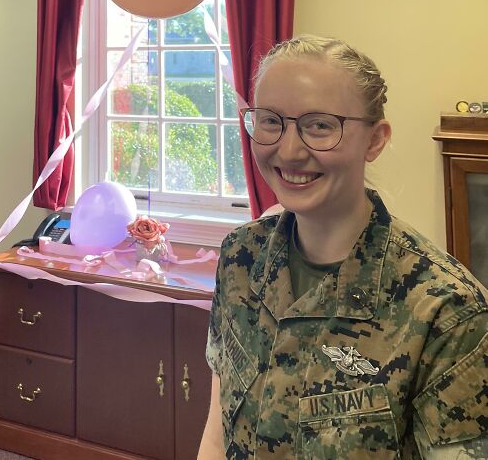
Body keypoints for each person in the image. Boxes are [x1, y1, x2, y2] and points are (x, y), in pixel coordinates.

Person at [198, 35, 488, 459]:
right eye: (271, 121)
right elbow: (216, 435)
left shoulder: (445, 310)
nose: (289, 151)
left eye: (320, 125)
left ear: (375, 140)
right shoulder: (240, 258)